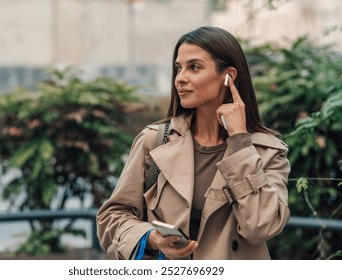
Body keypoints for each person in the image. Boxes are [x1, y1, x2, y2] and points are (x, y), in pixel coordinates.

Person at [97, 26, 290, 260]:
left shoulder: (268, 150)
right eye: (179, 68)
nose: (180, 78)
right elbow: (112, 216)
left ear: (228, 76)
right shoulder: (155, 141)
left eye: (194, 67)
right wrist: (153, 238)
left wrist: (240, 142)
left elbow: (261, 227)